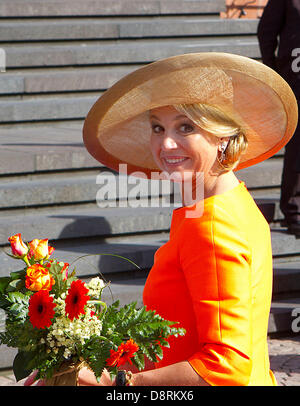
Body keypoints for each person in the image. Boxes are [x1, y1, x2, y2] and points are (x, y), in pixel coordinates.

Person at [26, 52, 298, 386]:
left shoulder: (211, 225)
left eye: (186, 127)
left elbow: (228, 366)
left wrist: (118, 383)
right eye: (158, 127)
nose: (166, 143)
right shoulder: (227, 200)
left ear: (223, 135)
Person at [257, 0, 300, 235]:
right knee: (298, 149)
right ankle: (294, 211)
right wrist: (273, 71)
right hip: (295, 82)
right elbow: (266, 31)